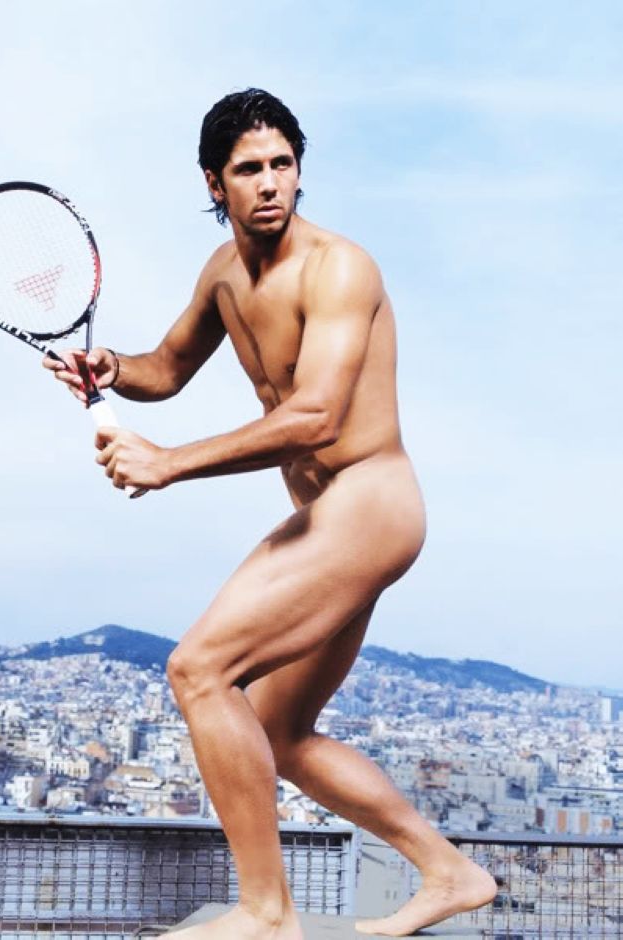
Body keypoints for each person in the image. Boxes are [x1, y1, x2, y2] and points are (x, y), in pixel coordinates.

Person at [44, 88, 497, 939]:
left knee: (198, 669)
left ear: (298, 169)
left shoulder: (339, 267)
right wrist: (112, 367)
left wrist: (168, 462)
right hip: (333, 516)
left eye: (282, 164)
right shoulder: (222, 273)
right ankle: (449, 871)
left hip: (370, 502)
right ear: (213, 182)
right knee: (278, 732)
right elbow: (167, 367)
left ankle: (265, 912)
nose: (269, 183)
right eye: (248, 168)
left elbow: (316, 416)